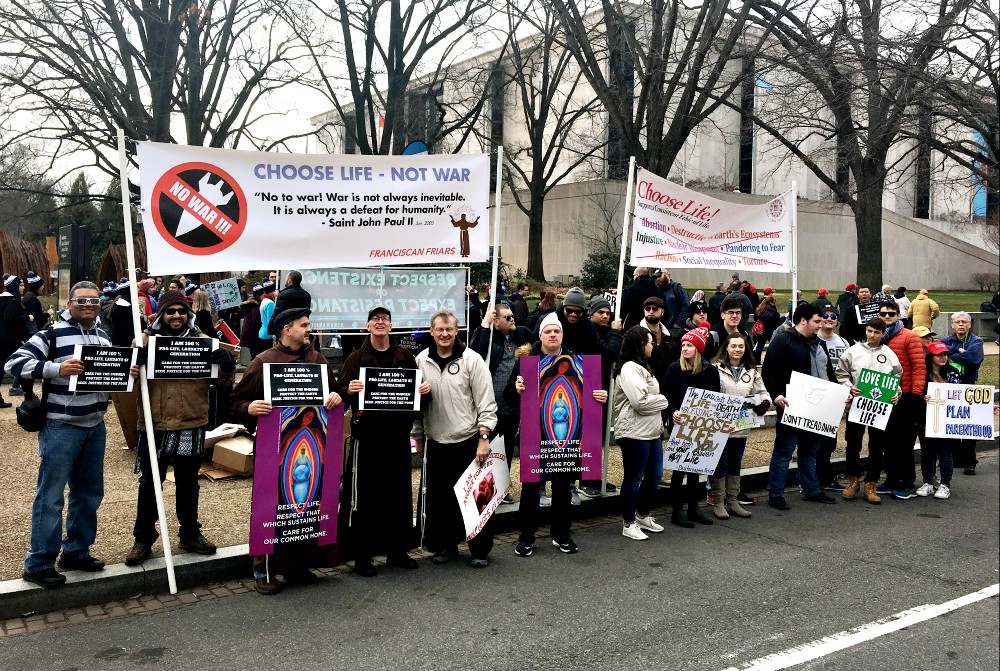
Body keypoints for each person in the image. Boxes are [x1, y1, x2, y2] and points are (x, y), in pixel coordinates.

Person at [6, 281, 140, 587]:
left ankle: (76, 550)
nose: (89, 305)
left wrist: (126, 373)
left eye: (94, 301)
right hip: (61, 426)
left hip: (95, 425)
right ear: (70, 302)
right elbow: (14, 363)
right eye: (82, 300)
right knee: (51, 497)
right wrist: (56, 368)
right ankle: (38, 562)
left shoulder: (101, 335)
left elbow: (107, 375)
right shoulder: (51, 333)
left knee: (89, 494)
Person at [230, 307, 343, 595]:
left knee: (305, 507)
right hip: (274, 450)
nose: (310, 329)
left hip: (312, 448)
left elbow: (334, 394)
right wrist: (249, 408)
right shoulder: (263, 362)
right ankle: (263, 570)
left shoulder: (317, 359)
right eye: (304, 325)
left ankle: (297, 566)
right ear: (286, 330)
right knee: (271, 508)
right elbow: (234, 402)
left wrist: (335, 396)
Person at [125, 291, 235, 566]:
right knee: (150, 483)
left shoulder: (203, 342)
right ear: (161, 314)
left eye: (181, 311)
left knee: (188, 483)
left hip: (191, 422)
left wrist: (226, 366)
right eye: (170, 311)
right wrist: (133, 365)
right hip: (156, 423)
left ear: (189, 314)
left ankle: (189, 533)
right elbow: (128, 378)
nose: (176, 316)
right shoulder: (144, 341)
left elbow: (221, 382)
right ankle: (143, 538)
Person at [336, 307, 429, 577]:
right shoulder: (355, 358)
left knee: (398, 496)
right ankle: (362, 556)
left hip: (397, 438)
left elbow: (418, 396)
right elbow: (339, 393)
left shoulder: (404, 356)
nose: (380, 323)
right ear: (367, 326)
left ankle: (397, 551)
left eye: (385, 319)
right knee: (364, 498)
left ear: (391, 326)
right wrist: (348, 390)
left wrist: (424, 390)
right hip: (367, 439)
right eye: (375, 320)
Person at [505, 313, 608, 556]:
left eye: (557, 331)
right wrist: (517, 389)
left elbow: (589, 399)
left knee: (563, 487)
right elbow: (509, 396)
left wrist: (599, 397)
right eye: (548, 331)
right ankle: (526, 536)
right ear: (540, 335)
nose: (553, 335)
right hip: (535, 436)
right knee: (530, 488)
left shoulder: (576, 361)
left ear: (562, 334)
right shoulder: (527, 362)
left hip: (567, 437)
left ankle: (561, 534)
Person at [412, 311, 497, 568]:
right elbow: (417, 406)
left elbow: (486, 402)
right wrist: (418, 436)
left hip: (468, 440)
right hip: (437, 441)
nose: (445, 334)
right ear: (432, 331)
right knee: (442, 502)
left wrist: (484, 437)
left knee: (477, 499)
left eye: (449, 329)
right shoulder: (421, 361)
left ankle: (480, 550)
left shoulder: (472, 360)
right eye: (440, 330)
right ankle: (446, 546)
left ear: (457, 330)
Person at [761, 302, 838, 510]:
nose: (820, 325)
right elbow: (769, 371)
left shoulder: (819, 344)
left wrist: (838, 394)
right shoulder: (783, 340)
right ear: (803, 320)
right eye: (816, 321)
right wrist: (776, 395)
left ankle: (811, 489)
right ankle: (775, 493)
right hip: (791, 406)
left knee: (810, 451)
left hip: (818, 407)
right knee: (784, 451)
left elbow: (828, 373)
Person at [470, 302, 534, 503]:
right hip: (491, 405)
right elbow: (475, 354)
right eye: (507, 317)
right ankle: (485, 492)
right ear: (496, 321)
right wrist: (485, 325)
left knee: (505, 449)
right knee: (487, 449)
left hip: (512, 404)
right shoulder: (489, 339)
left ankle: (502, 490)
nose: (512, 319)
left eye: (512, 315)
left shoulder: (520, 337)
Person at [835, 317, 902, 504]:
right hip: (857, 406)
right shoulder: (853, 351)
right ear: (866, 330)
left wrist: (897, 394)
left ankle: (871, 483)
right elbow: (841, 373)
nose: (872, 335)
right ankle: (852, 480)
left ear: (883, 334)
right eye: (869, 331)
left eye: (876, 332)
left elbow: (896, 378)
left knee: (876, 446)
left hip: (879, 408)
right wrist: (849, 387)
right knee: (853, 443)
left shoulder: (889, 354)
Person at [612, 327, 669, 540]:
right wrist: (663, 400)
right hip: (634, 432)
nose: (652, 345)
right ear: (640, 344)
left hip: (651, 431)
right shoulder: (629, 368)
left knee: (654, 474)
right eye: (649, 342)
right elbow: (640, 402)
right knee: (634, 477)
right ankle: (629, 522)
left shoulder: (642, 367)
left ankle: (642, 514)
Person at [664, 325, 719, 528]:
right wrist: (673, 411)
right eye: (683, 345)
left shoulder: (711, 372)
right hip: (680, 423)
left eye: (689, 345)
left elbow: (715, 399)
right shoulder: (674, 369)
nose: (684, 348)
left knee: (696, 466)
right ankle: (676, 510)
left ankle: (694, 508)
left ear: (698, 348)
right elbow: (666, 395)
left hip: (700, 425)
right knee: (679, 468)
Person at [710, 332, 770, 519]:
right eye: (733, 346)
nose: (737, 349)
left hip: (741, 428)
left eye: (741, 346)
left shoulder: (751, 372)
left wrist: (764, 404)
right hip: (720, 427)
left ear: (745, 349)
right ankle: (718, 502)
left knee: (735, 463)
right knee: (720, 464)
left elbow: (763, 393)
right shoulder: (715, 369)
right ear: (726, 348)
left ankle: (733, 500)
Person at [877, 299, 926, 500]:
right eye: (883, 313)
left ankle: (907, 483)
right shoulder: (877, 337)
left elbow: (919, 367)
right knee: (887, 443)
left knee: (904, 444)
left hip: (905, 397)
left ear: (899, 315)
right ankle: (891, 479)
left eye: (891, 313)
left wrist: (915, 394)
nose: (887, 316)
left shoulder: (909, 337)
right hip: (883, 397)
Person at [581, 295, 623, 497]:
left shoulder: (605, 332)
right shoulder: (591, 332)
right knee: (589, 435)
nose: (605, 316)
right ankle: (586, 480)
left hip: (603, 387)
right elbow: (611, 353)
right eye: (601, 312)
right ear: (591, 314)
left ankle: (595, 477)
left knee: (598, 435)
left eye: (608, 313)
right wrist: (616, 333)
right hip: (589, 387)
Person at [941, 311, 984, 474]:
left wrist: (950, 354)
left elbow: (973, 359)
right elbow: (938, 355)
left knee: (968, 425)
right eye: (957, 322)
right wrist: (957, 350)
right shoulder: (947, 340)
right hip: (950, 385)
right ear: (952, 325)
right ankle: (955, 458)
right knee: (952, 423)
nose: (960, 324)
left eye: (964, 322)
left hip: (968, 385)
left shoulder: (976, 341)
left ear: (969, 325)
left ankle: (970, 461)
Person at [918, 342, 962, 499]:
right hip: (926, 418)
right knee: (927, 452)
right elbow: (916, 394)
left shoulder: (954, 373)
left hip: (947, 419)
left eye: (945, 354)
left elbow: (962, 396)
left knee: (945, 452)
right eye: (939, 355)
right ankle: (928, 482)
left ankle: (945, 485)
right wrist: (922, 398)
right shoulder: (922, 375)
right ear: (931, 357)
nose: (943, 357)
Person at [815, 307, 850, 490]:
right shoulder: (814, 339)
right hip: (819, 395)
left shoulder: (843, 342)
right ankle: (816, 479)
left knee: (830, 440)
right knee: (817, 441)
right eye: (825, 316)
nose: (829, 319)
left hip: (838, 396)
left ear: (837, 321)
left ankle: (826, 478)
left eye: (833, 317)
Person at [1, 274, 32, 408]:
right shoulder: (11, 302)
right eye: (20, 285)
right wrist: (27, 317)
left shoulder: (3, 300)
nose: (23, 288)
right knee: (23, 364)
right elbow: (10, 319)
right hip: (10, 340)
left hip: (5, 339)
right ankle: (29, 395)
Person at [710, 293, 753, 362]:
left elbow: (751, 360)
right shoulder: (713, 336)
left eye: (738, 313)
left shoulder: (744, 334)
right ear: (722, 315)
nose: (735, 316)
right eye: (731, 313)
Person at [268, 271, 312, 336]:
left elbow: (277, 313)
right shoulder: (307, 295)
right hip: (301, 329)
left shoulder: (283, 295)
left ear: (289, 280)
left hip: (286, 330)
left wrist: (271, 329)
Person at [240, 283, 273, 358]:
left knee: (254, 356)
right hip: (253, 337)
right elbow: (257, 323)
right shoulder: (256, 308)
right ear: (260, 295)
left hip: (249, 336)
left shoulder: (251, 306)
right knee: (257, 357)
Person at [656, 269, 690, 336]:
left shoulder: (677, 288)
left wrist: (678, 323)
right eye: (656, 277)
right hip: (661, 327)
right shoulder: (659, 290)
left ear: (667, 275)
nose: (658, 279)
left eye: (659, 276)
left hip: (675, 328)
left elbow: (686, 305)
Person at [753, 294, 782, 361]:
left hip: (761, 331)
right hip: (770, 331)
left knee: (760, 346)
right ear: (771, 302)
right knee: (774, 346)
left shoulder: (759, 310)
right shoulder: (772, 312)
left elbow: (755, 318)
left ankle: (757, 360)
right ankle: (774, 359)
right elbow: (776, 321)